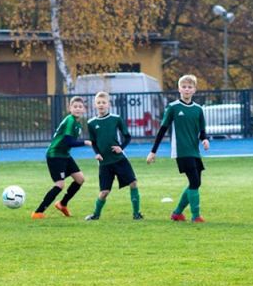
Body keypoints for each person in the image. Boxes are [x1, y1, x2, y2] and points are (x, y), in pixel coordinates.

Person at [146, 74, 210, 223]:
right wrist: (153, 151)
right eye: (184, 87)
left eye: (190, 87)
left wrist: (205, 139)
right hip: (181, 151)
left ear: (194, 90)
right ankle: (196, 216)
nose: (187, 89)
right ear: (179, 88)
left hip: (194, 151)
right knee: (194, 182)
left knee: (196, 183)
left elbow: (202, 130)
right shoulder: (173, 107)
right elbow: (162, 130)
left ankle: (177, 213)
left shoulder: (198, 109)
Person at [85, 91, 143, 221]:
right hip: (104, 163)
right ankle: (96, 214)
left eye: (103, 102)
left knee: (133, 183)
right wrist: (97, 153)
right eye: (98, 103)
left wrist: (120, 148)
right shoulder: (91, 123)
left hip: (119, 159)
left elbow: (127, 137)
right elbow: (93, 142)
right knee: (104, 192)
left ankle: (136, 213)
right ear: (95, 105)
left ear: (108, 104)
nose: (101, 105)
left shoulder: (116, 119)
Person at [32, 96, 91, 219]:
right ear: (70, 108)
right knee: (60, 184)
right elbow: (68, 141)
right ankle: (38, 212)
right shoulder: (70, 120)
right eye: (75, 107)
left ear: (84, 109)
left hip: (64, 155)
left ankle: (62, 204)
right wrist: (85, 142)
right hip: (55, 155)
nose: (78, 109)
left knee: (80, 179)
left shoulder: (77, 123)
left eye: (80, 107)